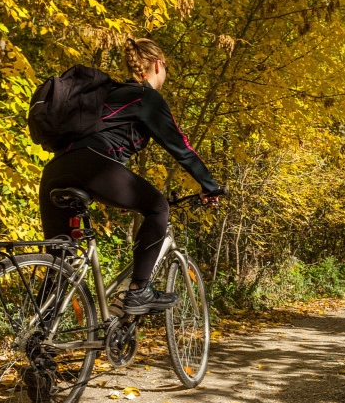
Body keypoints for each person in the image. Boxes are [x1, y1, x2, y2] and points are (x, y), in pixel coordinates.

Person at [38, 38, 221, 315]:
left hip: (55, 170)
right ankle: (139, 291)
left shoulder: (105, 93)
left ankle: (38, 341)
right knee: (158, 206)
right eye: (166, 67)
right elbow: (180, 147)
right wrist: (210, 185)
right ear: (158, 64)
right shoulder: (145, 97)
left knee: (61, 261)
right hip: (92, 166)